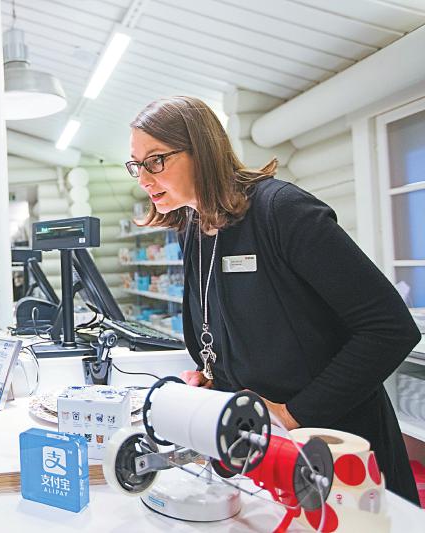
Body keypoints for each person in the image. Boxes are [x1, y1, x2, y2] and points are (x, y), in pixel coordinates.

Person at [126, 96, 420, 503]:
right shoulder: (192, 227)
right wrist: (214, 373)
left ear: (202, 151)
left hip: (337, 448)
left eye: (155, 160)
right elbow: (237, 326)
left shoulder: (282, 211)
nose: (143, 178)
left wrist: (292, 413)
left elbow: (390, 329)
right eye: (136, 164)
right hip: (266, 451)